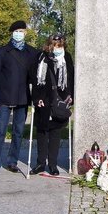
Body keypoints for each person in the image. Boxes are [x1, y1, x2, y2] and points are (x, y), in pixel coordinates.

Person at [0, 20, 39, 177]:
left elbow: (36, 77)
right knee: (0, 131)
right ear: (12, 33)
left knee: (18, 131)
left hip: (23, 97)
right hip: (4, 96)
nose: (19, 34)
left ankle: (12, 161)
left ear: (25, 33)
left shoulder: (32, 52)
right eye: (16, 31)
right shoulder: (2, 51)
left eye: (21, 31)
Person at [30, 33, 74, 176]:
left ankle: (53, 164)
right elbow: (35, 79)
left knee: (55, 133)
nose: (57, 48)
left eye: (60, 46)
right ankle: (40, 163)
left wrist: (70, 96)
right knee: (42, 133)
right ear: (49, 45)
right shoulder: (41, 57)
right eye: (55, 46)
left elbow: (71, 77)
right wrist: (37, 98)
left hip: (60, 100)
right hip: (44, 100)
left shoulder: (66, 57)